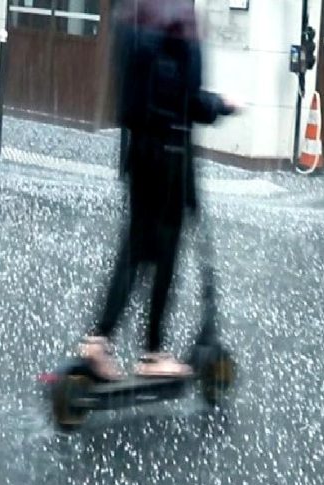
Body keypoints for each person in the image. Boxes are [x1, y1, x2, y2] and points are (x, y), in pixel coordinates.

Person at [80, 0, 237, 380]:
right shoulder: (177, 17)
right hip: (169, 154)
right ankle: (151, 353)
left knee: (135, 250)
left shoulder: (133, 14)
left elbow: (145, 90)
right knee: (165, 253)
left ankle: (99, 340)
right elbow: (185, 99)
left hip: (138, 149)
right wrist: (223, 105)